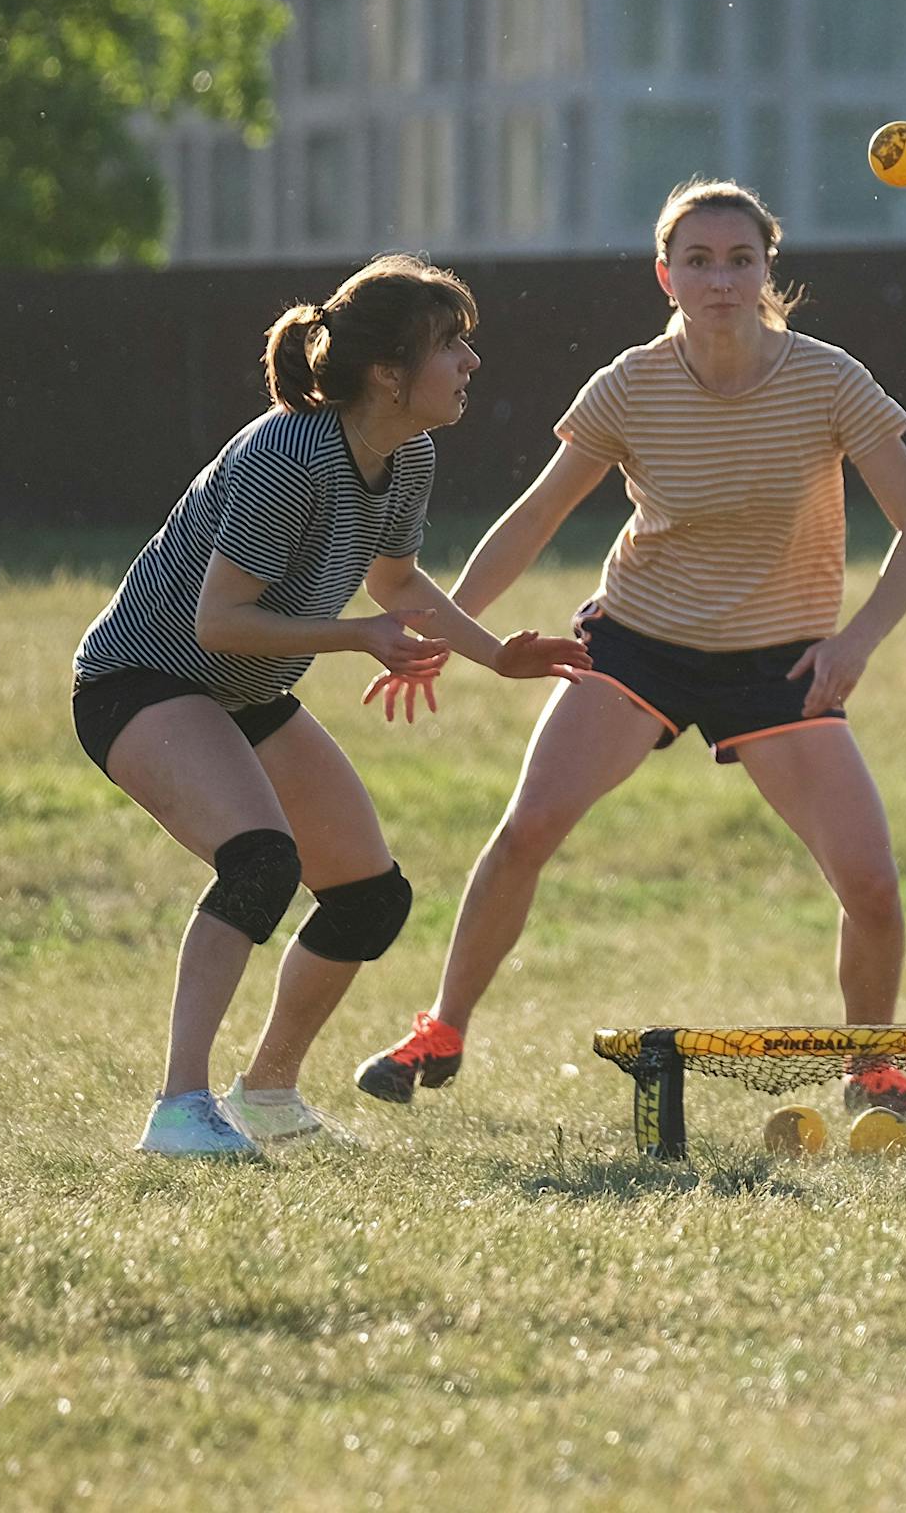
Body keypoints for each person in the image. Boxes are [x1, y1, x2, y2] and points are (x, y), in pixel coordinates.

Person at [355, 178, 906, 1122]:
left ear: (767, 270)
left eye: (740, 260)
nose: (721, 279)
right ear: (665, 275)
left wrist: (859, 642)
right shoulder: (629, 384)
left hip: (781, 660)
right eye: (700, 261)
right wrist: (446, 628)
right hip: (639, 644)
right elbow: (535, 518)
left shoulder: (828, 379)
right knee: (526, 830)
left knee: (872, 883)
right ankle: (441, 1027)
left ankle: (870, 1068)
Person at [73, 256, 591, 1158]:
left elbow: (396, 581)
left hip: (243, 690)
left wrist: (495, 655)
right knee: (261, 862)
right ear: (388, 373)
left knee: (368, 898)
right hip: (142, 680)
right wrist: (360, 638)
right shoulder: (289, 455)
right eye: (450, 346)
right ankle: (179, 1109)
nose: (471, 362)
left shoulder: (407, 452)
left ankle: (268, 1094)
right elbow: (221, 620)